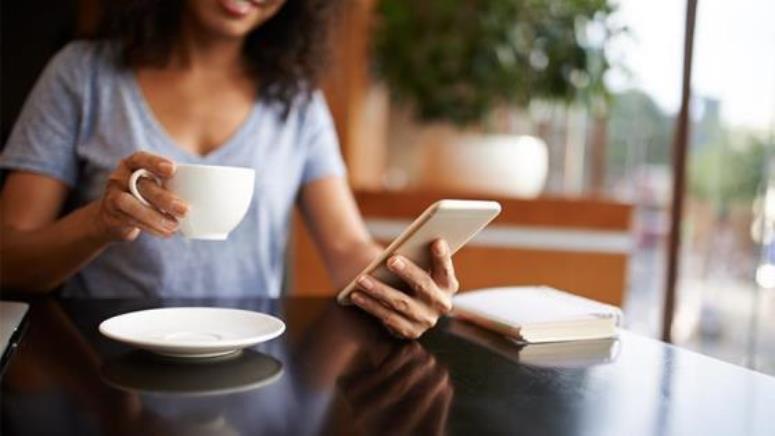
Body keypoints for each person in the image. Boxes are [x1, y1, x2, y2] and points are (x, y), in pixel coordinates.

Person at [0, 0, 459, 339]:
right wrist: (100, 222)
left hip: (248, 359)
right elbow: (9, 262)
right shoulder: (82, 76)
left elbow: (347, 248)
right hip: (99, 366)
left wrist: (403, 287)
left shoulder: (298, 101)